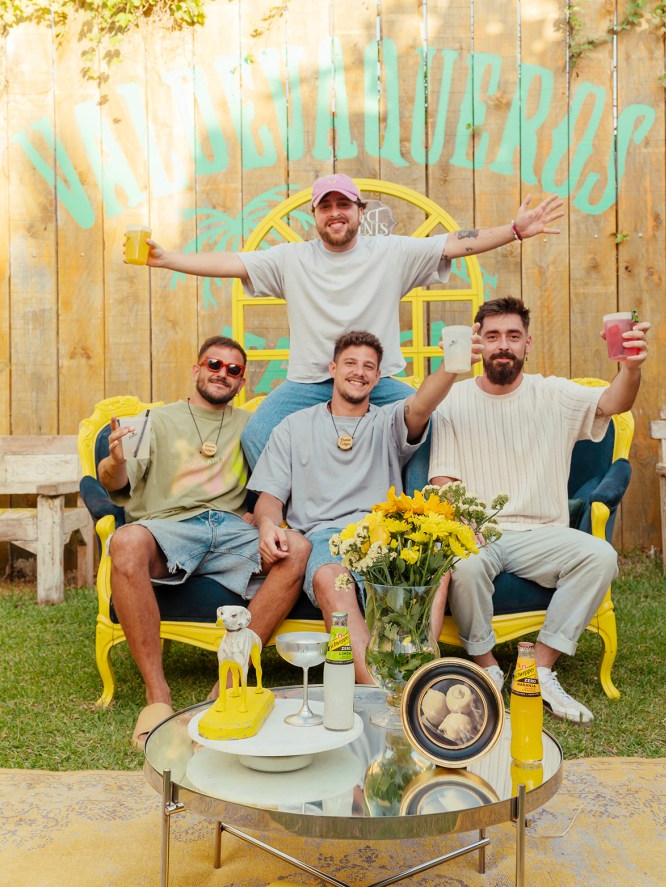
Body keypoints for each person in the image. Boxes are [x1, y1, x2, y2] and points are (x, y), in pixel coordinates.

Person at [139, 174, 564, 490]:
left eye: (344, 204)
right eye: (326, 206)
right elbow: (230, 263)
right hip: (309, 383)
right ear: (315, 216)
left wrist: (513, 231)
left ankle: (414, 520)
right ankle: (292, 514)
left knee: (429, 428)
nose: (335, 212)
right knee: (257, 434)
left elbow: (455, 242)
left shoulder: (391, 252)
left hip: (378, 381)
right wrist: (167, 258)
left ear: (360, 211)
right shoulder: (291, 259)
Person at [429, 296, 650, 724]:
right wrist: (462, 522)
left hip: (544, 532)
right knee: (465, 566)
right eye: (493, 336)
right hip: (482, 531)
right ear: (478, 342)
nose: (503, 345)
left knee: (601, 556)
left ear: (527, 343)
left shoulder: (554, 394)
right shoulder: (452, 400)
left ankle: (541, 670)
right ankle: (486, 667)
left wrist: (632, 368)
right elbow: (443, 478)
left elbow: (614, 402)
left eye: (513, 336)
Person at [97, 335, 310, 748]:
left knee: (297, 548)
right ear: (196, 370)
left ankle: (226, 688)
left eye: (233, 370)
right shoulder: (155, 420)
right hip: (169, 526)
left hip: (230, 530)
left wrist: (263, 517)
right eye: (214, 364)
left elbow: (278, 480)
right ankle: (158, 696)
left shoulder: (253, 426)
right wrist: (115, 461)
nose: (222, 373)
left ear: (241, 383)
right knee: (125, 542)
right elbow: (115, 481)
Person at [247, 329, 465, 684]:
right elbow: (270, 497)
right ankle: (386, 694)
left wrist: (451, 366)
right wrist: (269, 524)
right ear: (333, 368)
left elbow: (422, 405)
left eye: (368, 366)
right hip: (325, 538)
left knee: (436, 569)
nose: (359, 372)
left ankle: (416, 675)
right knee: (332, 579)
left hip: (386, 535)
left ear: (377, 378)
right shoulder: (293, 427)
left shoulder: (388, 421)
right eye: (350, 363)